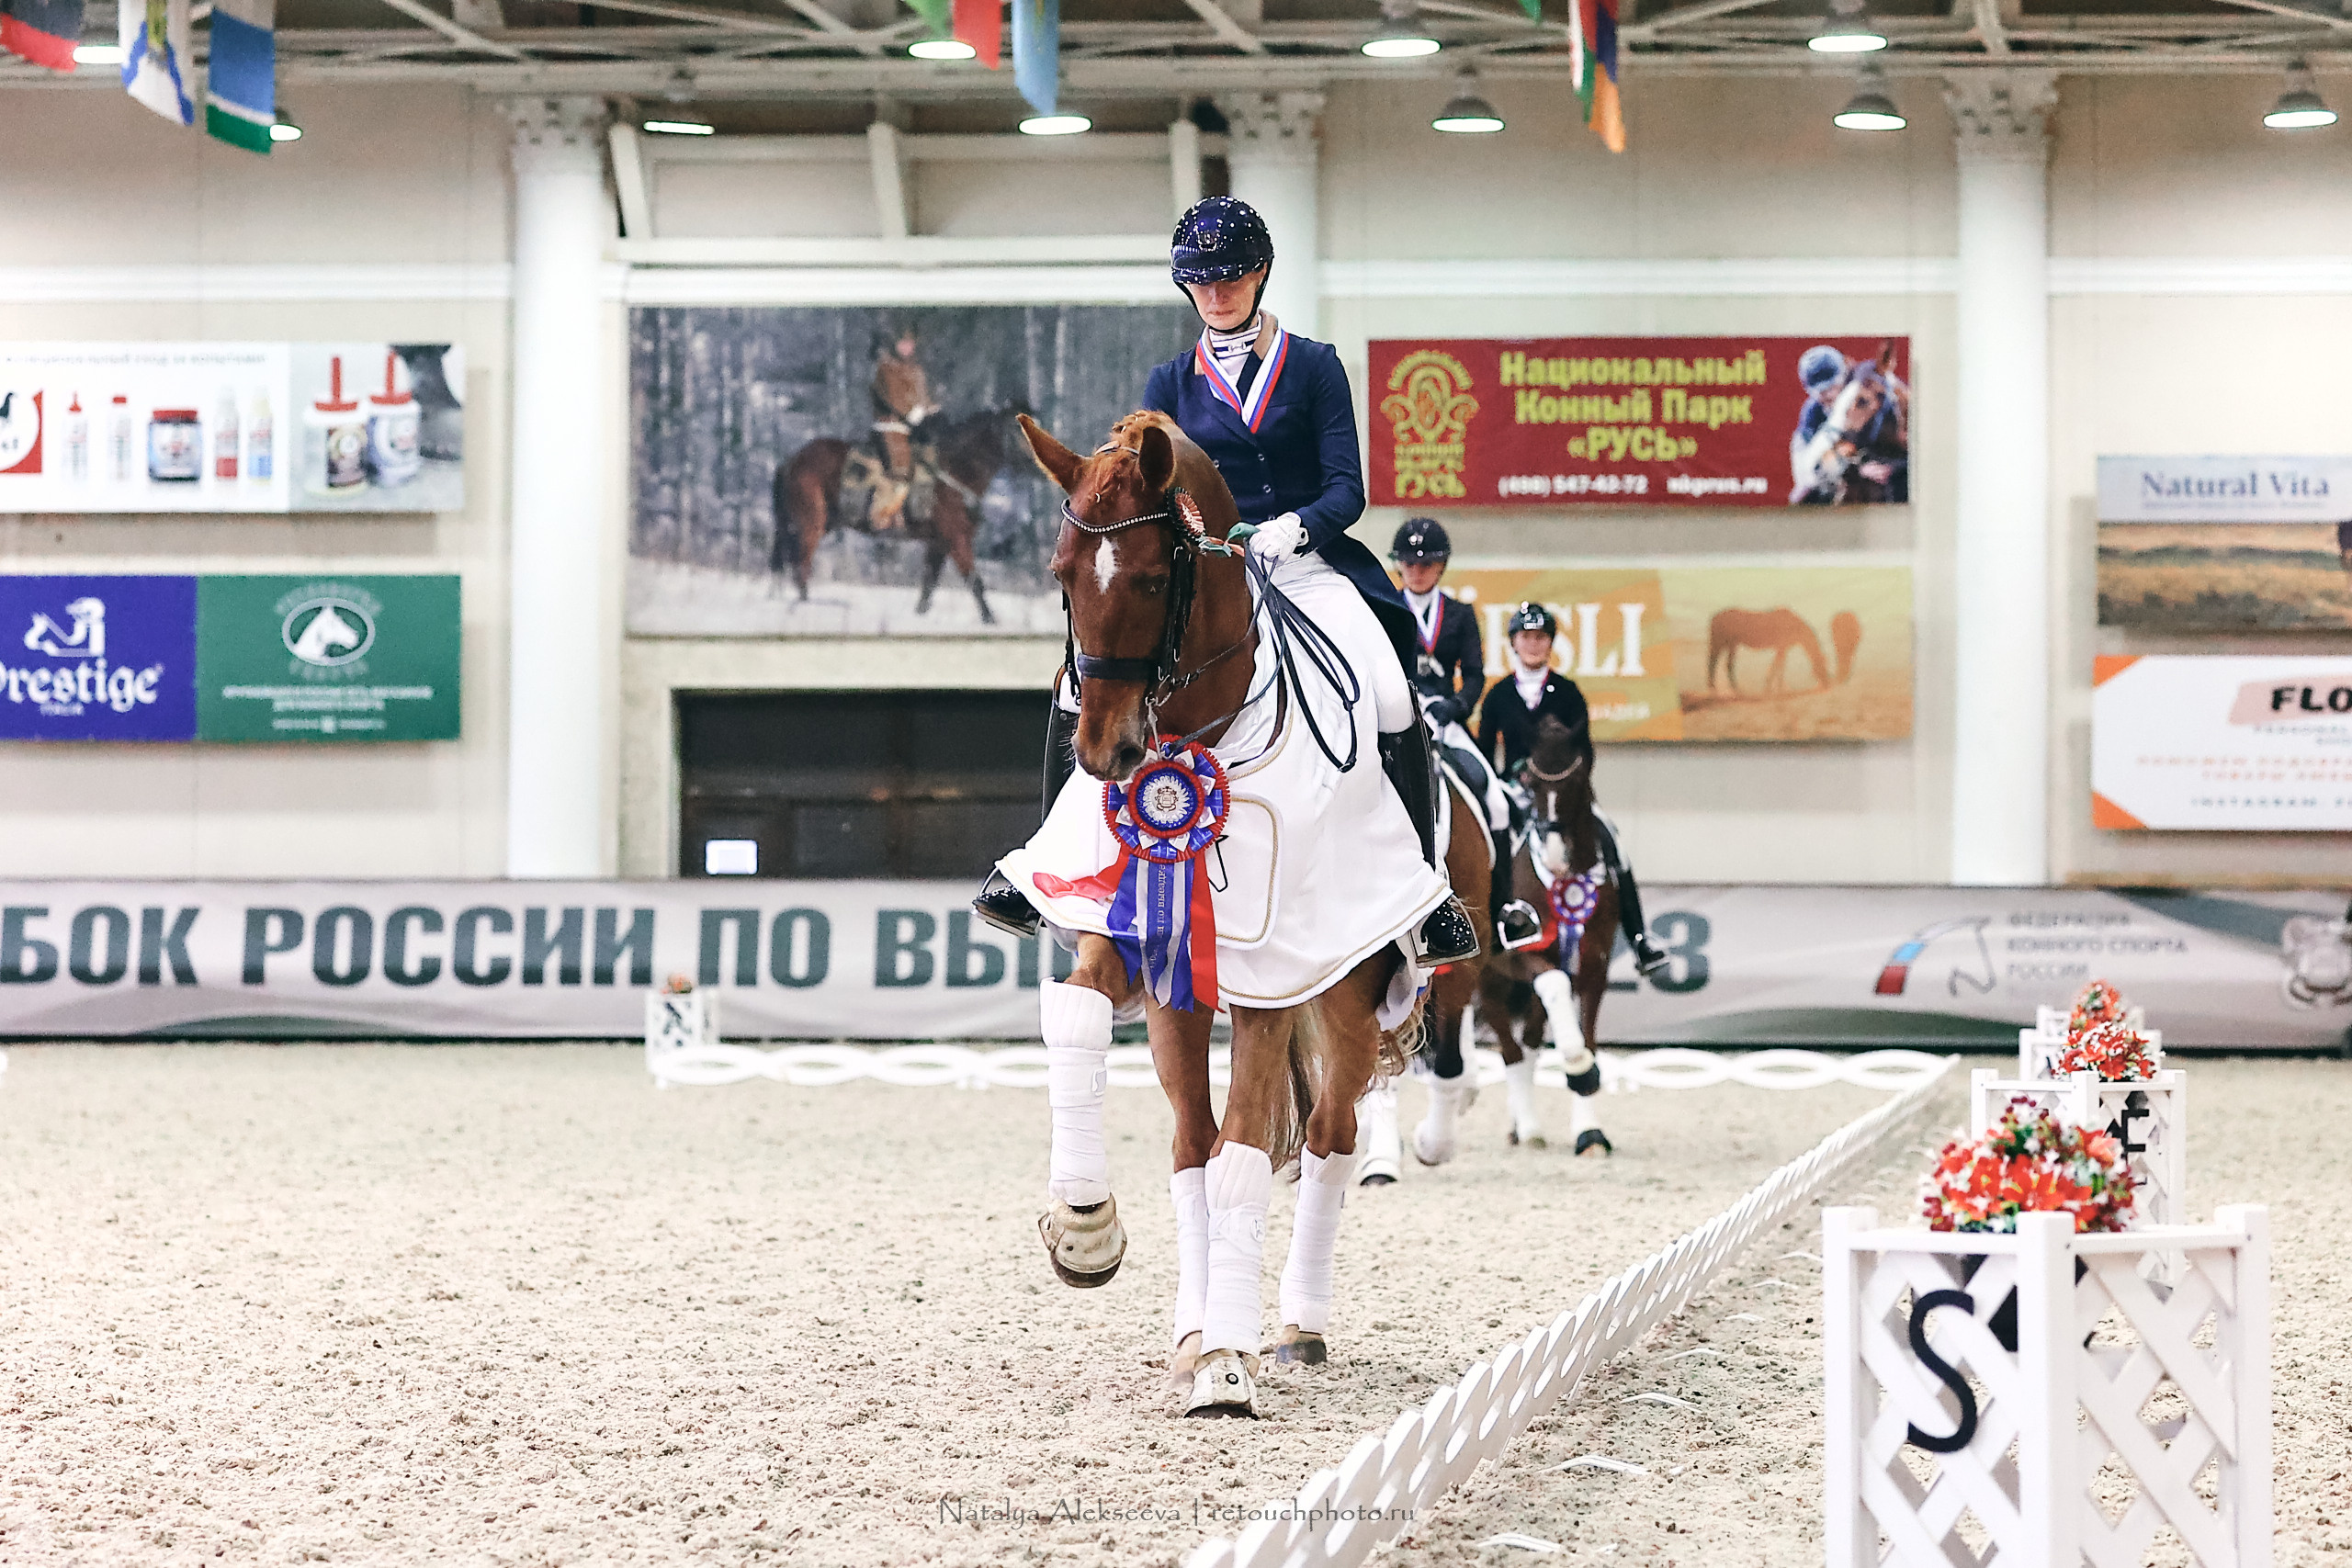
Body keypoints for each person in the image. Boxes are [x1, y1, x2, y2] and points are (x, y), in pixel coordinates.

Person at [974, 195, 1479, 967]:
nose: (1218, 294)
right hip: (1207, 571)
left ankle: (1421, 894)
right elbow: (1148, 488)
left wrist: (1291, 530)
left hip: (1303, 561)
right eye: (1203, 282)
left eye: (1232, 277)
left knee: (1385, 686)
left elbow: (1349, 488)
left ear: (1262, 274)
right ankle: (1046, 870)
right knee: (1080, 687)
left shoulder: (1314, 365)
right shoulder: (1170, 379)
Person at [1474, 602, 1669, 976]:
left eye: (1541, 638)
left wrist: (1570, 786)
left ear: (1551, 644)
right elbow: (1485, 750)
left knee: (1612, 842)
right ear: (1514, 642)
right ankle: (1494, 926)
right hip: (1517, 792)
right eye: (1526, 637)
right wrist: (1507, 782)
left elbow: (1585, 751)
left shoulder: (1566, 692)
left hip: (1563, 795)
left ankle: (1640, 938)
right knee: (1489, 844)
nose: (1533, 644)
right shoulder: (1498, 695)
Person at [1390, 517, 1542, 951]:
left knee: (1495, 800)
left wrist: (1450, 708)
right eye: (1409, 563)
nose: (1416, 571)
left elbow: (1474, 676)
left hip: (1445, 721)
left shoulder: (1458, 614)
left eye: (1427, 564)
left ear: (1441, 567)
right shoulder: (1385, 607)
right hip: (1397, 719)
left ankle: (1505, 909)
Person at [1789, 344, 1909, 505]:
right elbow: (1814, 470)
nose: (1829, 395)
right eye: (1821, 392)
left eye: (1833, 386)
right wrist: (1857, 469)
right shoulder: (1813, 413)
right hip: (1842, 474)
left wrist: (1893, 467)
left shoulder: (1867, 386)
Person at [869, 322, 937, 531]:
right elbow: (893, 397)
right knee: (899, 469)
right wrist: (912, 412)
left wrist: (930, 408)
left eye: (910, 343)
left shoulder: (917, 370)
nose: (907, 348)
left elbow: (923, 398)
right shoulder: (886, 368)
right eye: (903, 343)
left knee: (932, 463)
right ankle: (883, 514)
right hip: (891, 426)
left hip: (915, 427)